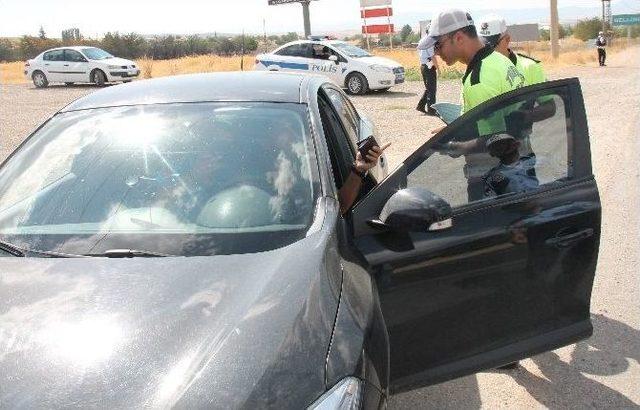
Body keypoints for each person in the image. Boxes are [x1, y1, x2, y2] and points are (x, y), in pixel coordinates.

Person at [418, 8, 526, 200]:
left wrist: (454, 146)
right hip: (518, 166)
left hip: (493, 178)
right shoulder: (499, 61)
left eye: (438, 45)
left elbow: (497, 139)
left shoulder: (480, 79)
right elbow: (502, 120)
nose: (436, 52)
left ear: (458, 37)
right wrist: (456, 128)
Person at [483, 133, 538, 197]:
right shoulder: (491, 177)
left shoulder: (535, 161)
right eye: (496, 147)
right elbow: (491, 202)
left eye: (504, 143)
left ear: (516, 144)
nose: (501, 148)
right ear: (492, 154)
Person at [416, 27, 439, 115]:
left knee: (428, 88)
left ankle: (421, 106)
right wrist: (438, 68)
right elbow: (432, 56)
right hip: (429, 66)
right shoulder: (429, 42)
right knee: (432, 89)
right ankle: (431, 110)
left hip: (423, 65)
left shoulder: (422, 40)